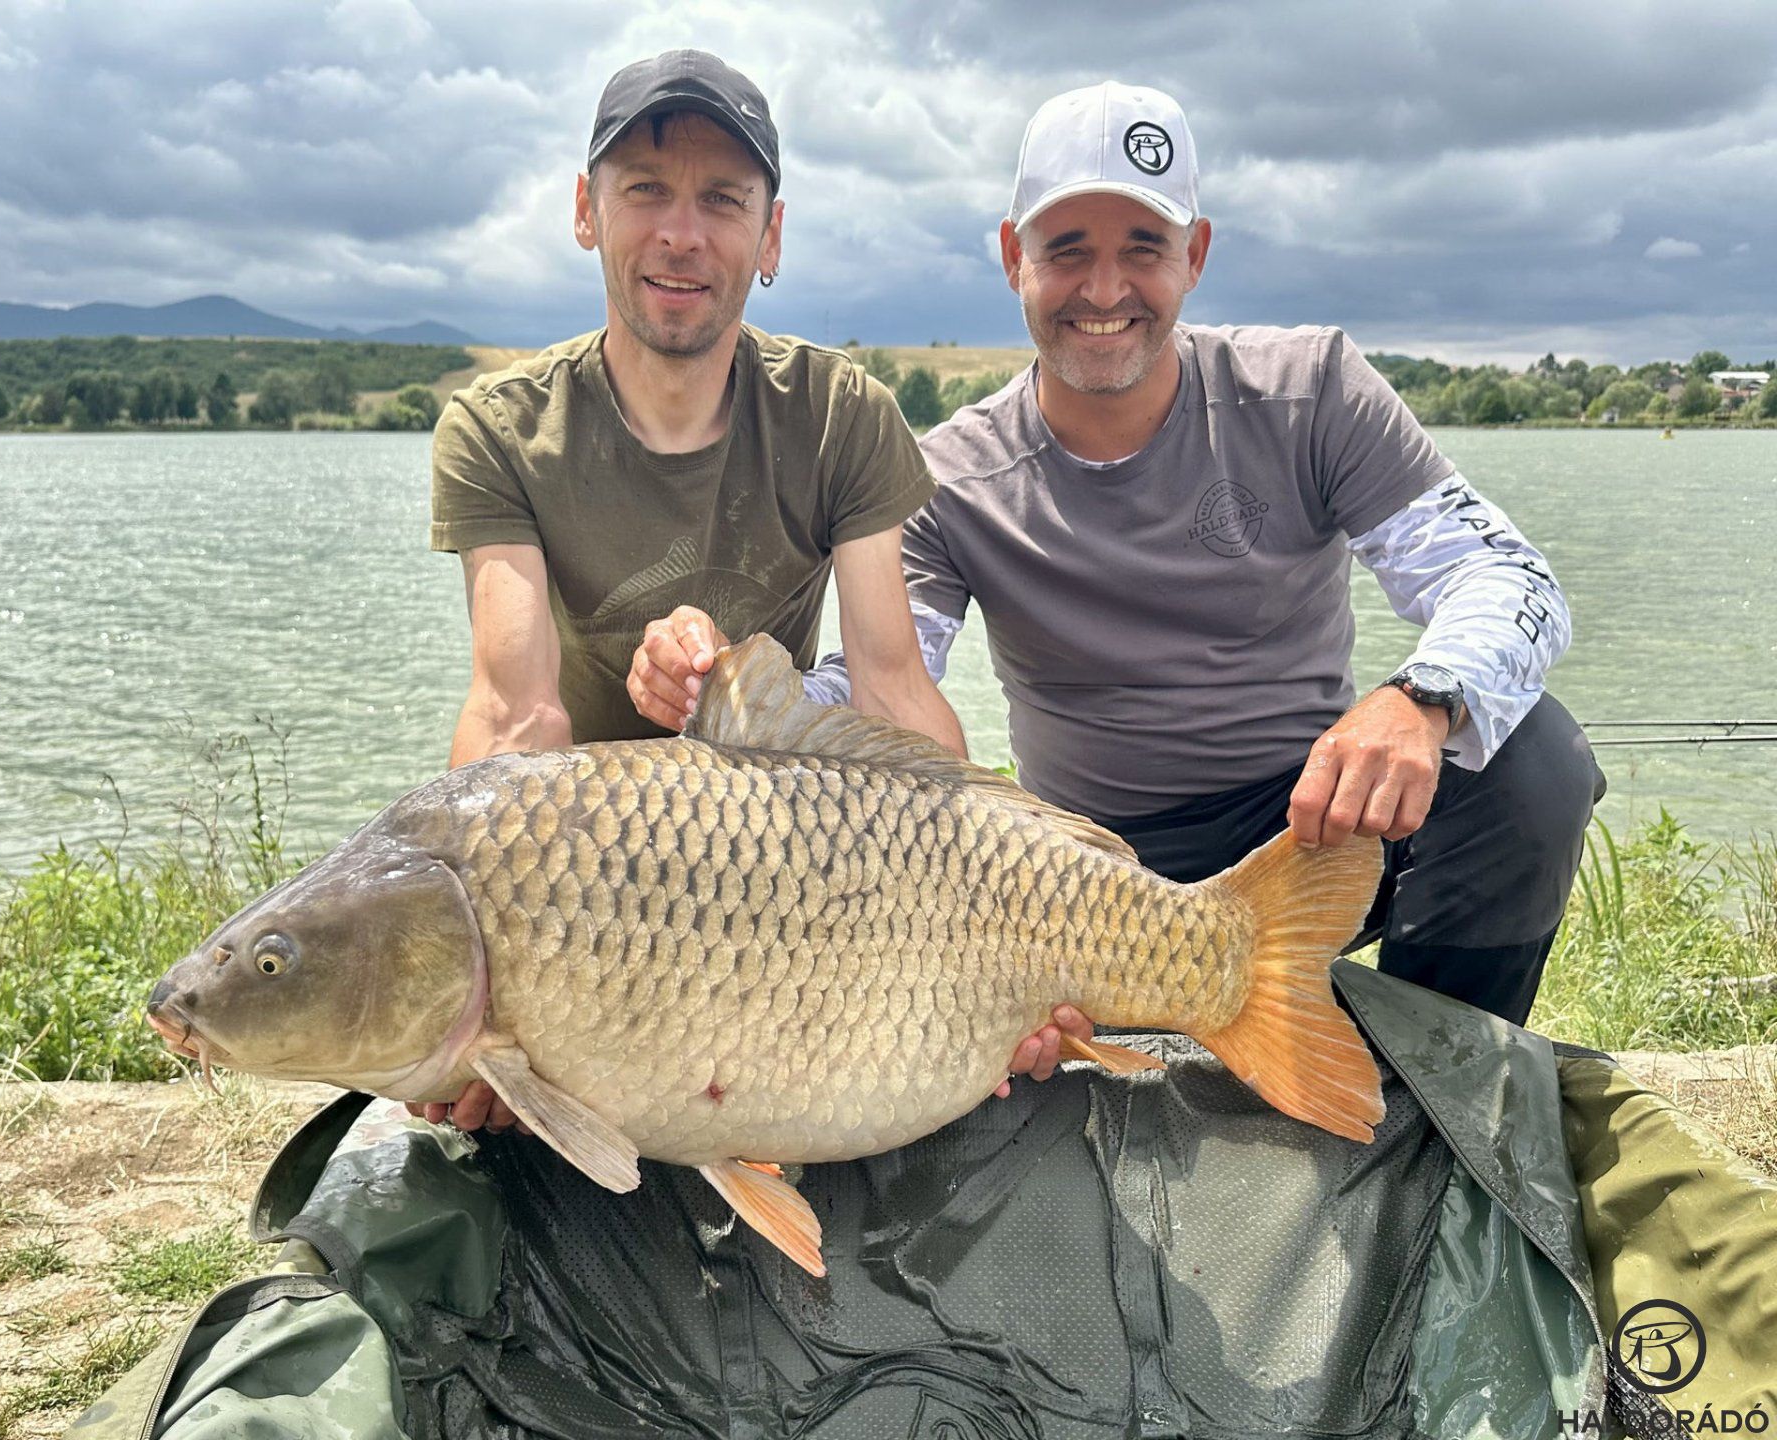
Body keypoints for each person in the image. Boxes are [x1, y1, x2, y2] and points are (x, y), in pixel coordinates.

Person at [775, 84, 1601, 1025]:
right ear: (1014, 258)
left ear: (1196, 255)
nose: (1104, 289)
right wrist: (738, 691)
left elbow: (1508, 576)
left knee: (1533, 760)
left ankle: (1431, 1088)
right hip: (1087, 867)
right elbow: (882, 679)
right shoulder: (946, 478)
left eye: (1143, 248)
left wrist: (1420, 696)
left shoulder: (1313, 390)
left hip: (1310, 826)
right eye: (1067, 250)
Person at [421, 50, 1087, 1134]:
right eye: (645, 191)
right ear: (586, 213)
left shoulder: (840, 414)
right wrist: (479, 987)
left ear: (770, 238)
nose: (682, 234)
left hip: (780, 865)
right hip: (582, 899)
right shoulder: (499, 430)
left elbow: (889, 688)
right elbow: (515, 712)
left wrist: (999, 895)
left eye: (723, 201)